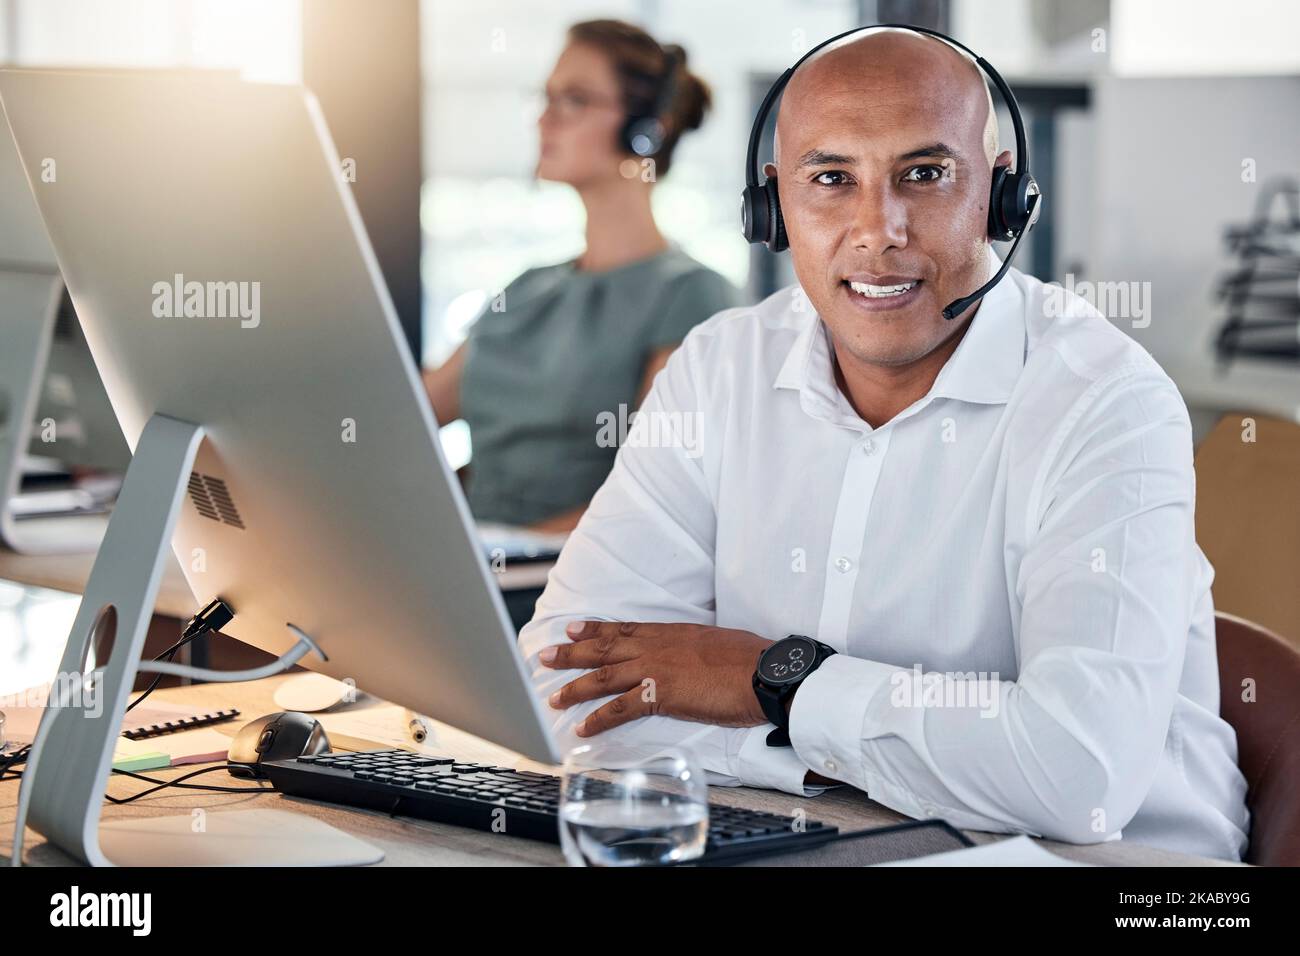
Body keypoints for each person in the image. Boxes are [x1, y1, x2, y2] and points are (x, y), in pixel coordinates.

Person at [519, 27, 1251, 860]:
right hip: (831, 840)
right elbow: (564, 687)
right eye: (831, 179)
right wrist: (834, 748)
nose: (879, 230)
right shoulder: (721, 367)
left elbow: (1075, 778)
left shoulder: (1107, 401)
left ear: (1002, 197)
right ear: (774, 207)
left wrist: (769, 683)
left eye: (926, 175)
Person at [422, 19, 739, 532]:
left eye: (573, 99)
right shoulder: (528, 288)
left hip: (565, 582)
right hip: (474, 563)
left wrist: (493, 551)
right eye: (545, 98)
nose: (544, 119)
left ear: (644, 132)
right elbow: (405, 418)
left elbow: (656, 502)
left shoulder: (690, 294)